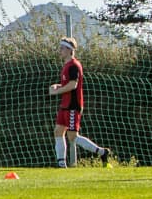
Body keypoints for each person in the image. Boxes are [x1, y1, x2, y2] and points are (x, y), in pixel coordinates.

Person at [46, 37, 113, 168]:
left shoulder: (74, 66)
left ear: (69, 50)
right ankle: (61, 164)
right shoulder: (66, 65)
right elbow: (67, 84)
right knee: (58, 131)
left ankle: (102, 152)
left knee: (72, 137)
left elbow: (73, 85)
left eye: (62, 48)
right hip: (65, 105)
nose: (59, 50)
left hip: (72, 105)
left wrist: (57, 91)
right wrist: (58, 86)